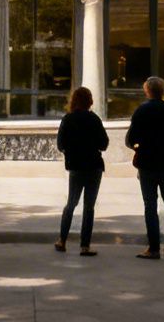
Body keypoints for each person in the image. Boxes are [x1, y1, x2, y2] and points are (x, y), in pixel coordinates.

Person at [124, 75, 164, 260]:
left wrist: (139, 148)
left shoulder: (141, 111)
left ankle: (154, 248)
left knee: (150, 205)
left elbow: (130, 139)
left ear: (147, 91)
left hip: (147, 165)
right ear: (163, 91)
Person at [54, 86, 108, 257]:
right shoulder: (94, 119)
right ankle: (85, 246)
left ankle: (62, 240)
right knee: (89, 207)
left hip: (76, 167)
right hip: (94, 166)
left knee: (71, 203)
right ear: (89, 101)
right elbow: (104, 144)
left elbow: (60, 144)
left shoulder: (68, 119)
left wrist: (72, 151)